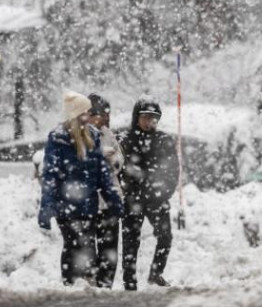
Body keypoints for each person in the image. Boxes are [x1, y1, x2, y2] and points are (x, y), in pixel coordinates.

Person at [38, 91, 124, 286]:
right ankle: (71, 285)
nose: (89, 116)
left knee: (87, 252)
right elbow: (50, 175)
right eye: (85, 112)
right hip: (66, 206)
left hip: (88, 207)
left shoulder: (93, 136)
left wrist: (114, 200)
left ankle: (86, 289)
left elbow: (102, 174)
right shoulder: (58, 139)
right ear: (75, 115)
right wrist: (46, 208)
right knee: (74, 247)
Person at [119, 95, 179, 290]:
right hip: (132, 199)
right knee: (130, 242)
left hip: (157, 198)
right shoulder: (125, 140)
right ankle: (129, 281)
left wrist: (163, 193)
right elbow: (119, 170)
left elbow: (173, 171)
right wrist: (128, 191)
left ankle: (156, 274)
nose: (149, 121)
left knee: (165, 236)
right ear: (137, 117)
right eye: (145, 116)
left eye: (154, 117)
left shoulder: (164, 140)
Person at [87, 93, 125, 289]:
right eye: (103, 114)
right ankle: (91, 284)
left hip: (109, 199)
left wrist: (114, 161)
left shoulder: (108, 134)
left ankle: (106, 284)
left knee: (109, 247)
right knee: (87, 247)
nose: (107, 119)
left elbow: (120, 159)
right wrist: (99, 157)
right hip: (88, 200)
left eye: (108, 114)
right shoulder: (80, 134)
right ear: (90, 114)